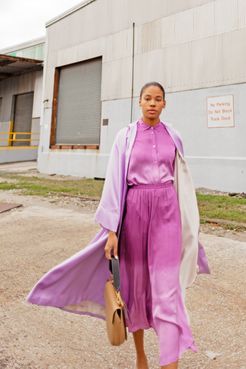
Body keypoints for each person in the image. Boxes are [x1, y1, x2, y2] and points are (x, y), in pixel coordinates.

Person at [26, 81, 210, 369]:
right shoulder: (125, 137)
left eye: (158, 99)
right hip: (134, 214)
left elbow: (183, 181)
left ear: (164, 104)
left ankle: (169, 364)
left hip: (167, 214)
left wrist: (190, 226)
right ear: (139, 102)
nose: (152, 103)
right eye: (147, 98)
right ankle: (140, 356)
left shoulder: (174, 136)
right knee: (135, 290)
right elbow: (114, 183)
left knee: (167, 292)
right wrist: (112, 231)